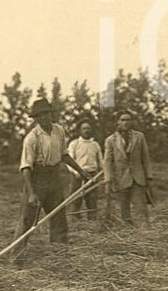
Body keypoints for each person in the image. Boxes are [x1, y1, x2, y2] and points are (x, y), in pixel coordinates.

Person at [11, 99, 92, 267]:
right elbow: (25, 167)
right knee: (27, 220)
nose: (45, 118)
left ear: (51, 114)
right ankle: (16, 260)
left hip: (55, 178)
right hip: (36, 178)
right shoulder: (31, 138)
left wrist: (80, 170)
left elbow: (64, 155)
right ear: (35, 119)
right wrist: (32, 193)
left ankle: (60, 259)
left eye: (47, 114)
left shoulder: (59, 131)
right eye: (40, 116)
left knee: (59, 219)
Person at [102, 110, 154, 227]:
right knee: (124, 210)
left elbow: (145, 158)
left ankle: (145, 233)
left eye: (128, 119)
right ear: (117, 123)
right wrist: (108, 181)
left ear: (132, 122)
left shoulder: (139, 137)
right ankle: (129, 234)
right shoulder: (110, 140)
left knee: (140, 207)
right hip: (120, 178)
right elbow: (108, 161)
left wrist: (149, 176)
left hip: (138, 178)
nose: (126, 122)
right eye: (123, 120)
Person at [67, 119, 102, 221]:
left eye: (88, 128)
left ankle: (92, 219)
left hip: (92, 174)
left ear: (91, 130)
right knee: (76, 197)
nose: (86, 130)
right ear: (80, 131)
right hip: (78, 174)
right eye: (84, 128)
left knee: (92, 198)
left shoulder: (95, 144)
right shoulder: (74, 144)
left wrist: (103, 171)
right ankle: (74, 218)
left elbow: (101, 160)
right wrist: (75, 172)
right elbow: (69, 160)